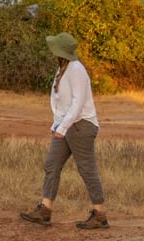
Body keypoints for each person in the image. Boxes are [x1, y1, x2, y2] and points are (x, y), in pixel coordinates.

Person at [19, 31, 109, 229]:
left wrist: (64, 126)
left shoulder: (76, 69)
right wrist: (57, 125)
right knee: (52, 164)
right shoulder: (63, 68)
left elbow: (77, 103)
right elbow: (60, 102)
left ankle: (100, 214)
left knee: (86, 169)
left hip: (81, 126)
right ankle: (45, 210)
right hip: (67, 125)